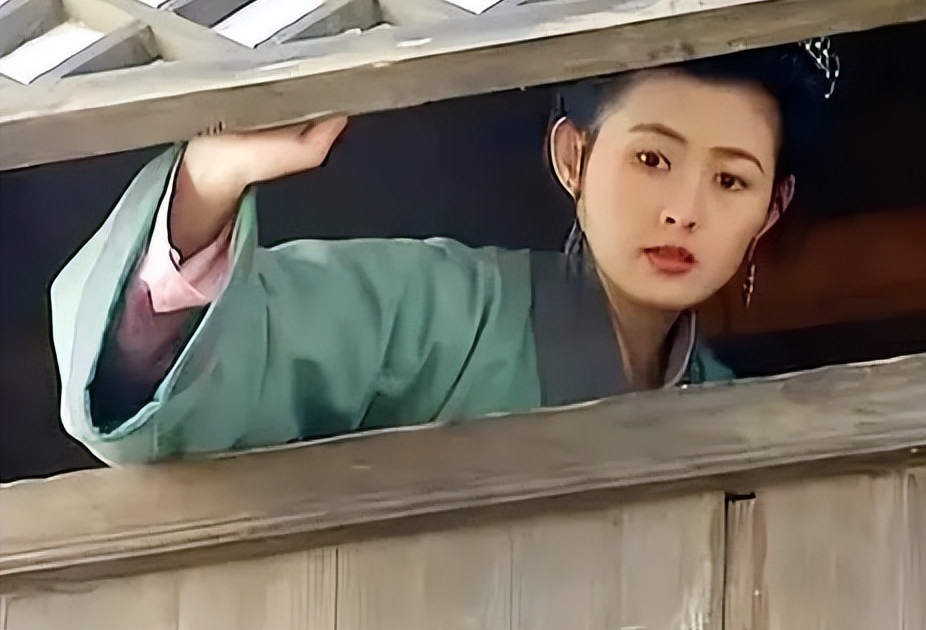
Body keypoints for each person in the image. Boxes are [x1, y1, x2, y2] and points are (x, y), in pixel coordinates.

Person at [50, 41, 835, 465]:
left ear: (771, 209)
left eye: (730, 180)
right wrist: (206, 183)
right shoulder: (436, 314)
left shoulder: (739, 415)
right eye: (652, 159)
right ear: (574, 158)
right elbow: (186, 379)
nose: (683, 210)